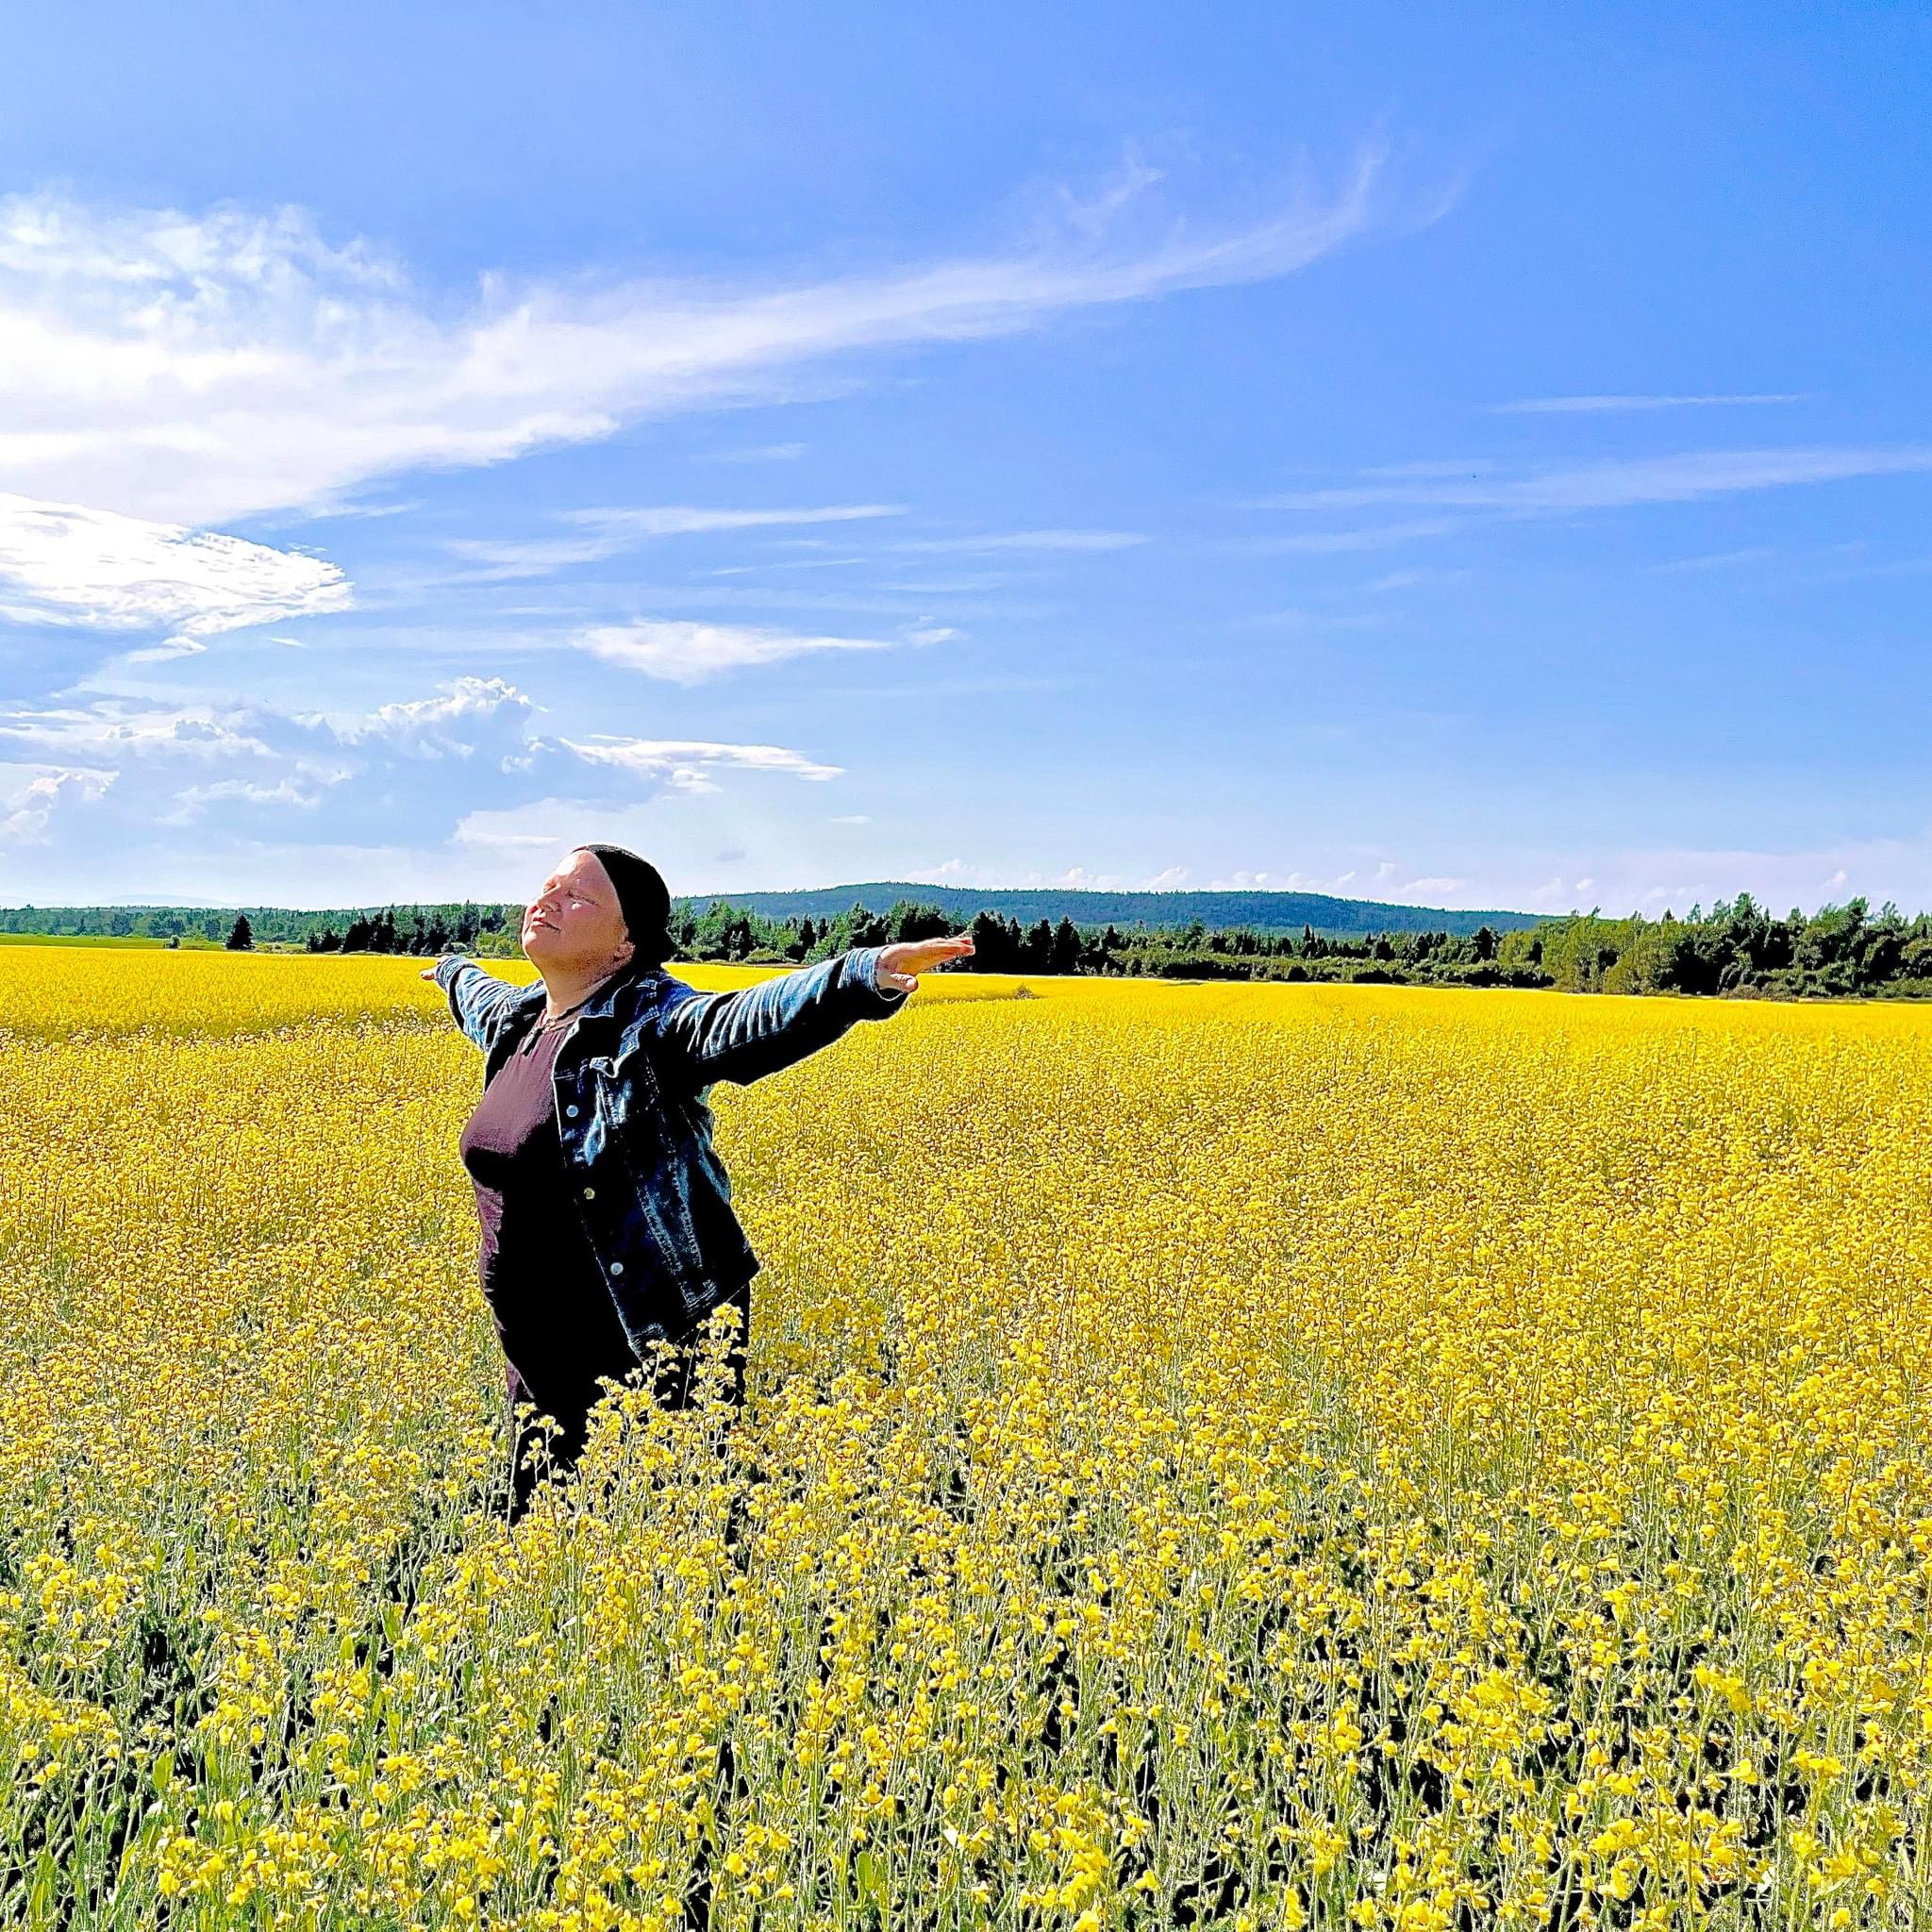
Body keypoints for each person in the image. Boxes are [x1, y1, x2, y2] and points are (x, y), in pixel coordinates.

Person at [424, 843, 974, 1518]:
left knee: (666, 1538)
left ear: (625, 945)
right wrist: (452, 970)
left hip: (648, 1342)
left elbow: (745, 1020)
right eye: (549, 886)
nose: (549, 900)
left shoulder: (653, 1023)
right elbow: (477, 998)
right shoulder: (520, 1022)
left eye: (578, 896)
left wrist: (865, 975)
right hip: (539, 1357)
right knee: (554, 1543)